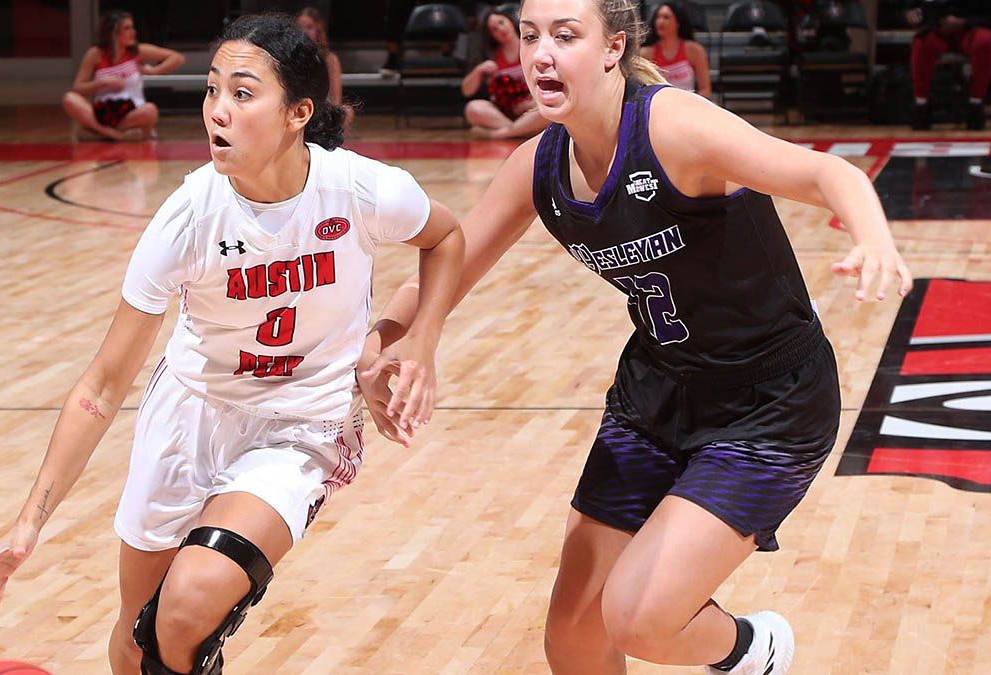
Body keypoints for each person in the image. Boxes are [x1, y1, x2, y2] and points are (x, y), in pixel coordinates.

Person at [359, 1, 912, 674]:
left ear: (614, 46)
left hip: (770, 401)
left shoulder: (673, 126)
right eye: (531, 36)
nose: (540, 54)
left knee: (637, 616)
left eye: (566, 36)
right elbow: (452, 259)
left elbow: (829, 172)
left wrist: (873, 236)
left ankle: (752, 649)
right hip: (654, 392)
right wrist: (388, 338)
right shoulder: (541, 164)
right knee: (574, 631)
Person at [0, 14, 465, 675]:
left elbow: (446, 238)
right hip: (188, 420)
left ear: (298, 112)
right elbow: (103, 385)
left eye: (243, 94)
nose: (218, 110)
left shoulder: (360, 189)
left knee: (188, 602)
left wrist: (420, 342)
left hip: (301, 424)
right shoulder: (188, 215)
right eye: (212, 90)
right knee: (140, 645)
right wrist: (29, 521)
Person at [62, 11, 185, 141]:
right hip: (103, 112)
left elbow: (177, 58)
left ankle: (100, 132)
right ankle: (112, 133)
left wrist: (153, 71)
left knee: (151, 110)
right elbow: (78, 87)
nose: (133, 32)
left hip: (132, 111)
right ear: (113, 32)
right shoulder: (95, 54)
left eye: (132, 27)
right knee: (70, 99)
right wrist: (103, 83)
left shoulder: (137, 51)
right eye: (127, 28)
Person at [461, 4, 549, 138]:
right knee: (472, 108)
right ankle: (520, 131)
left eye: (501, 23)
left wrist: (531, 102)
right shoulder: (491, 56)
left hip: (532, 107)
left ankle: (499, 135)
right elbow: (466, 91)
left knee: (547, 107)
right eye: (494, 29)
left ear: (510, 21)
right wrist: (478, 70)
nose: (500, 29)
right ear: (491, 35)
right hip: (502, 114)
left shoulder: (535, 46)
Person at [905, 0, 989, 130]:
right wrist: (911, 15)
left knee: (985, 41)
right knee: (921, 43)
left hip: (970, 28)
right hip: (937, 30)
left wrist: (964, 22)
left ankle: (975, 103)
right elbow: (911, 9)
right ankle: (921, 104)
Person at [295, 7, 356, 124]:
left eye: (309, 27)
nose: (304, 32)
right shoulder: (290, 57)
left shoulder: (330, 59)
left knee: (347, 111)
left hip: (322, 108)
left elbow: (335, 98)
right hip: (298, 107)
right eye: (300, 28)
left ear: (318, 30)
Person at [640, 2, 710, 97]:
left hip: (689, 105)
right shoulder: (645, 53)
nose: (660, 21)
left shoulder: (694, 50)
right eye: (657, 17)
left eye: (666, 17)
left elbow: (705, 89)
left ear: (678, 23)